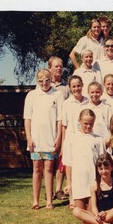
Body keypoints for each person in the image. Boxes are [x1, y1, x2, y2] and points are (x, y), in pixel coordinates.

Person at [24, 69, 64, 210]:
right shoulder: (31, 95)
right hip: (36, 139)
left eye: (47, 80)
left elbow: (60, 119)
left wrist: (58, 137)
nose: (44, 83)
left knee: (48, 169)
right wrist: (29, 137)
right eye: (41, 81)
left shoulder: (57, 94)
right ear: (37, 81)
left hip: (51, 138)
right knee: (36, 169)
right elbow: (27, 118)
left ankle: (49, 201)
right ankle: (35, 200)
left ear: (51, 80)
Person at [72, 154, 113, 224]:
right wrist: (97, 215)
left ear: (112, 167)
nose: (104, 171)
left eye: (106, 168)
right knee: (76, 210)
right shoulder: (94, 185)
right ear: (97, 170)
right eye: (101, 169)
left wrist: (106, 213)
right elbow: (94, 207)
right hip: (98, 215)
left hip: (110, 215)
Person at [68, 109, 105, 210]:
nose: (88, 126)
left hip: (93, 180)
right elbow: (68, 163)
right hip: (78, 181)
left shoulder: (98, 140)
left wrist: (99, 182)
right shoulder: (72, 139)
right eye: (86, 123)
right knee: (79, 212)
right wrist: (69, 184)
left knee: (91, 215)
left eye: (91, 124)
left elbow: (102, 163)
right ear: (79, 121)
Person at [61, 75, 89, 208]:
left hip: (84, 140)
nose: (76, 88)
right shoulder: (66, 103)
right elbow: (64, 125)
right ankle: (72, 196)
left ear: (82, 85)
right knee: (70, 167)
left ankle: (86, 196)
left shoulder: (88, 102)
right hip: (71, 140)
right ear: (70, 88)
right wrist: (62, 144)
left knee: (84, 168)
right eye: (74, 86)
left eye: (78, 85)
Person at [48, 56, 70, 201]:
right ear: (49, 68)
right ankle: (49, 190)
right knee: (49, 161)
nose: (59, 68)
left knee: (61, 159)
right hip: (49, 127)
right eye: (56, 66)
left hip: (62, 127)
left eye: (61, 66)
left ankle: (58, 189)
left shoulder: (66, 88)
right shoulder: (45, 86)